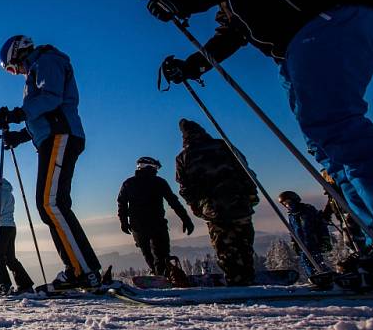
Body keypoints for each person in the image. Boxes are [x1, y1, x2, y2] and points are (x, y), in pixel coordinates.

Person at [142, 0, 373, 244]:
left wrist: (186, 0)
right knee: (325, 144)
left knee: (335, 127)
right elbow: (232, 32)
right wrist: (192, 66)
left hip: (325, 20)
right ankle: (368, 233)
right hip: (296, 47)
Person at [0, 35, 102, 290]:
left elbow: (52, 99)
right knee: (50, 205)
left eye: (11, 67)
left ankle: (83, 270)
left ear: (18, 54)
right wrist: (19, 136)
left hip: (60, 136)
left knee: (51, 203)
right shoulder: (37, 68)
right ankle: (77, 268)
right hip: (51, 137)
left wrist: (18, 113)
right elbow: (43, 115)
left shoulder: (47, 61)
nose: (15, 72)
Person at [175, 119, 259, 286]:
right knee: (244, 242)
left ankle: (235, 279)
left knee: (225, 247)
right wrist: (251, 193)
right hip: (238, 202)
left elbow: (185, 187)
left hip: (213, 208)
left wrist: (196, 207)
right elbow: (244, 169)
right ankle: (247, 276)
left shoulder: (184, 157)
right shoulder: (223, 146)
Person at [117, 156, 195, 276]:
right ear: (149, 167)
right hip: (156, 225)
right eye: (155, 168)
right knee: (161, 257)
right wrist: (185, 219)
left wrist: (124, 222)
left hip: (138, 226)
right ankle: (162, 276)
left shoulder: (129, 183)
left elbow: (121, 204)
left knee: (148, 255)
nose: (156, 170)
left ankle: (158, 275)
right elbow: (173, 202)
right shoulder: (158, 182)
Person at [277, 191, 330, 277]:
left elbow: (320, 225)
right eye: (285, 204)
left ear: (295, 200)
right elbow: (292, 231)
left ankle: (323, 276)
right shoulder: (292, 216)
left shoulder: (308, 210)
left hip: (313, 242)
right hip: (302, 244)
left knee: (315, 261)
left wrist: (325, 238)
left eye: (289, 202)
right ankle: (315, 277)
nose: (288, 205)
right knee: (305, 262)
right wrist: (294, 242)